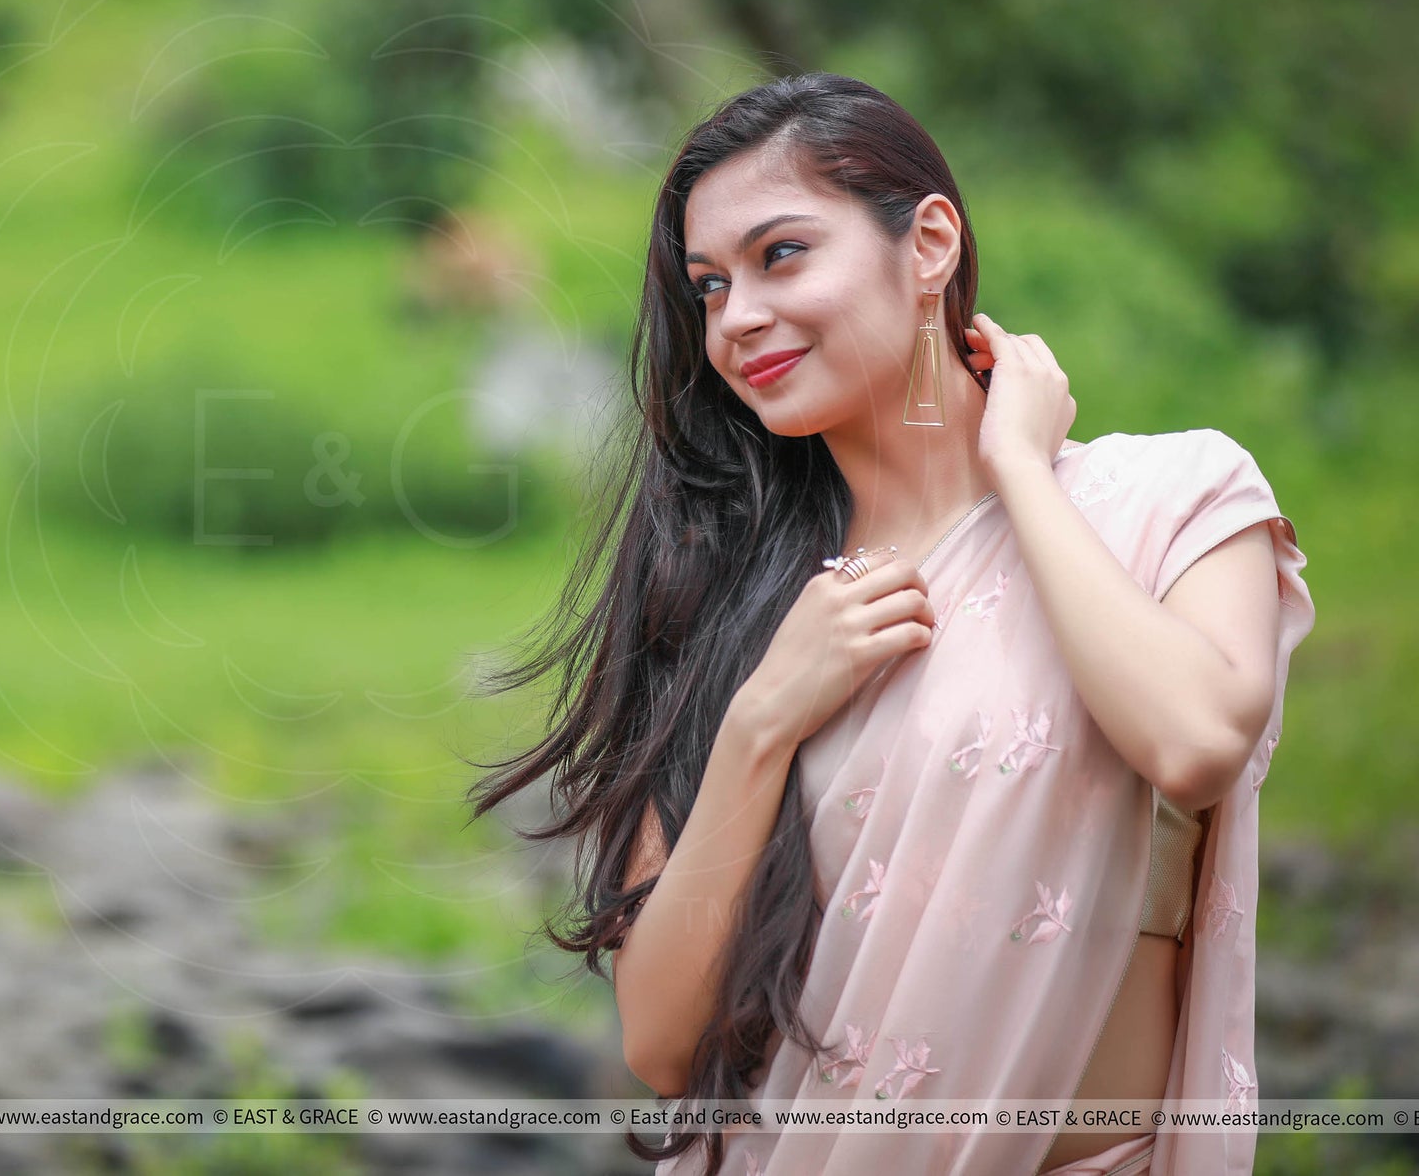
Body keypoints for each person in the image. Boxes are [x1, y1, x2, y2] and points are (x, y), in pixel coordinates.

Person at [463, 73, 1315, 1176]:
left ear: (927, 245)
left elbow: (1194, 741)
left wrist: (1017, 476)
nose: (737, 319)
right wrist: (761, 720)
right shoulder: (731, 608)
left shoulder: (1173, 499)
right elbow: (661, 1041)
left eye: (780, 255)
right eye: (708, 286)